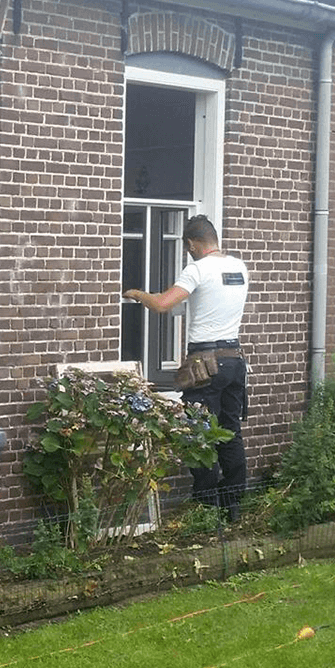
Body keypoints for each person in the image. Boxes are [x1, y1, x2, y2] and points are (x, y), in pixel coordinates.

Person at [122, 215, 248, 521]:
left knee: (198, 434)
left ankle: (206, 506)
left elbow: (163, 304)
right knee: (230, 432)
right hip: (234, 359)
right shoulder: (238, 267)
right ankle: (232, 504)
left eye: (187, 247)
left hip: (205, 364)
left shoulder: (197, 269)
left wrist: (136, 294)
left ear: (191, 244)